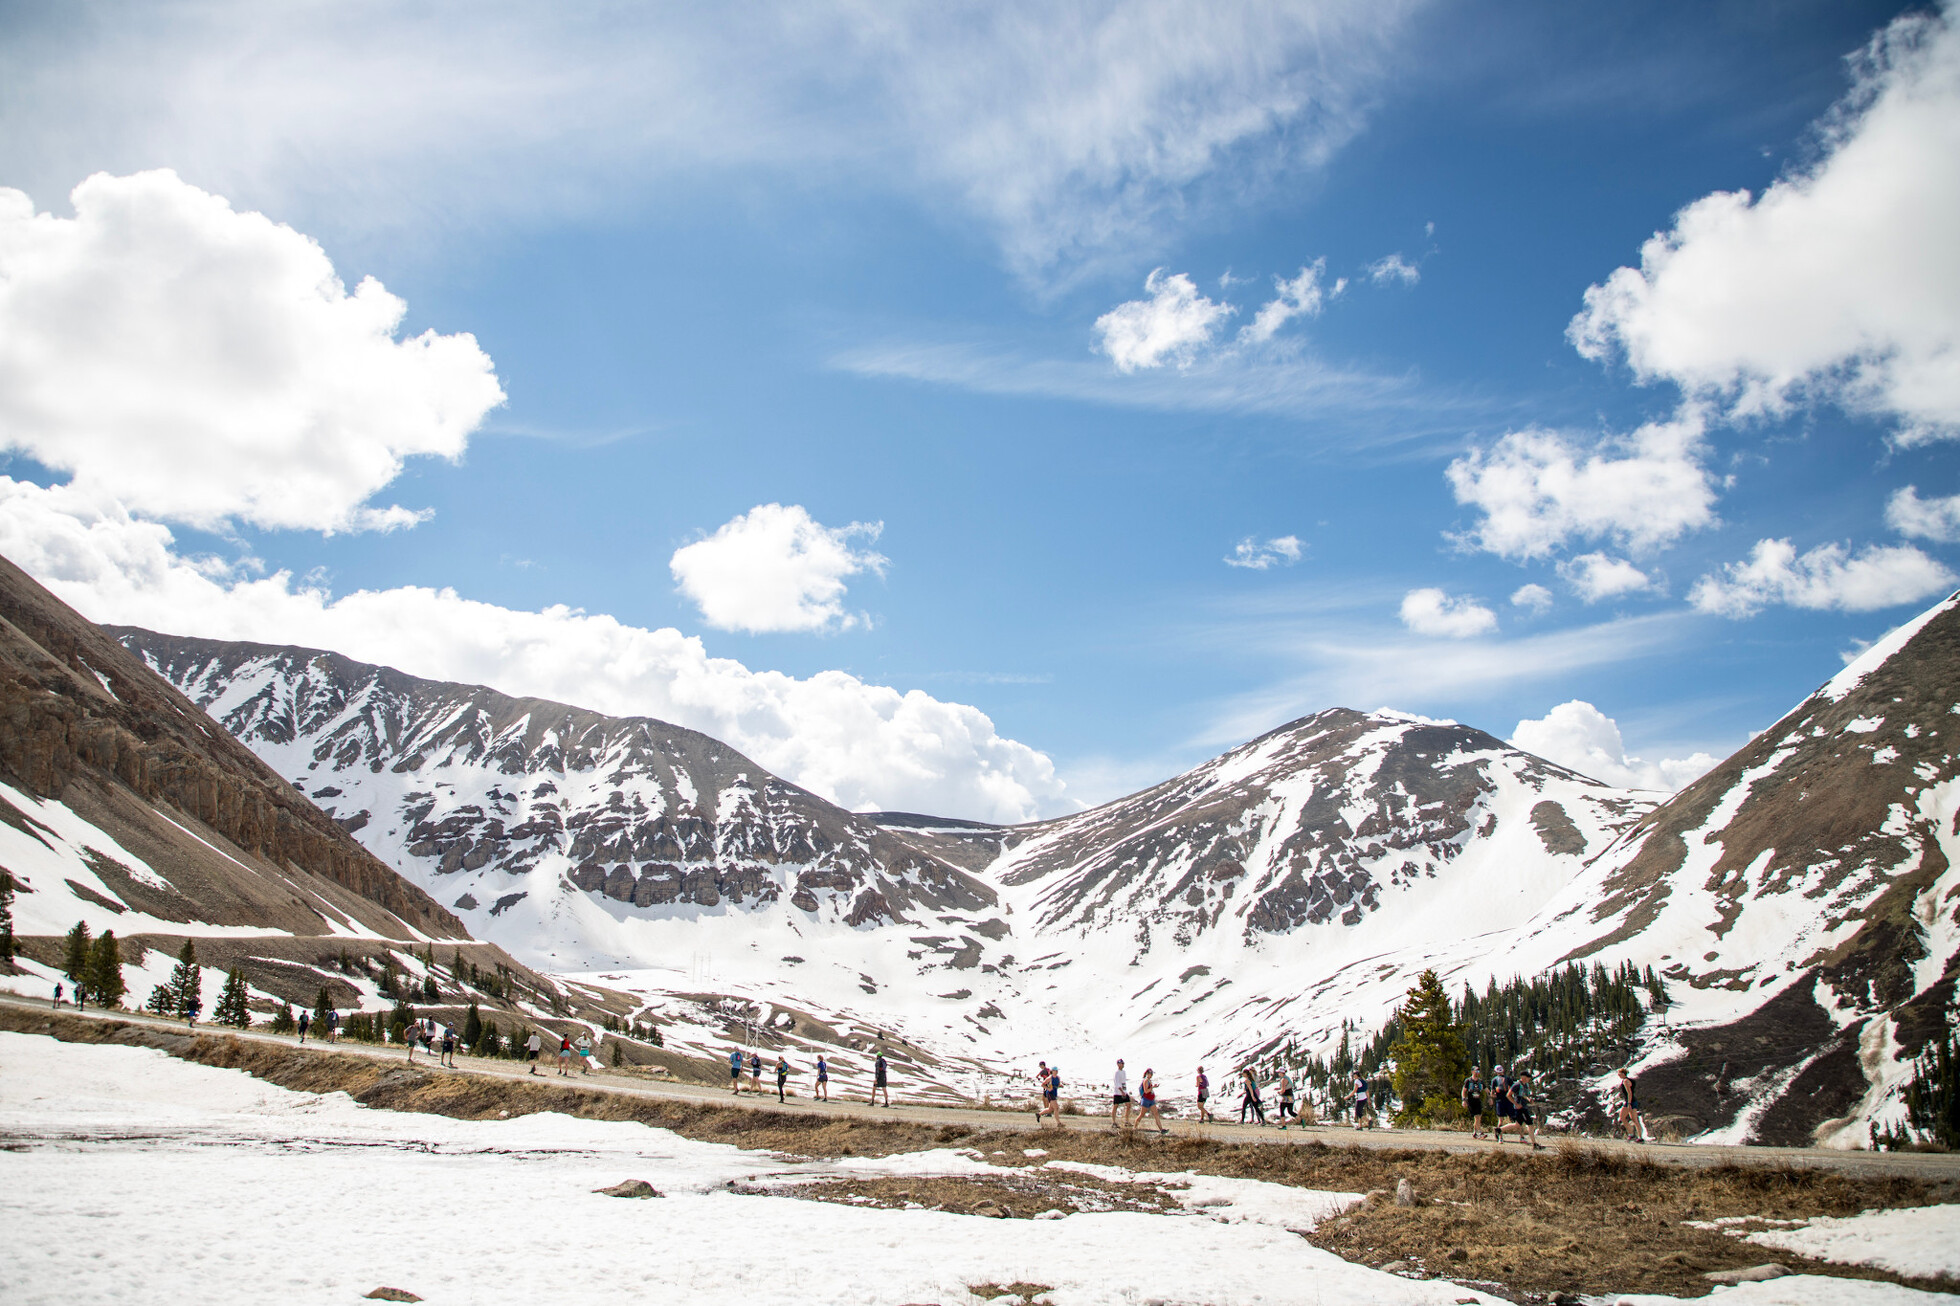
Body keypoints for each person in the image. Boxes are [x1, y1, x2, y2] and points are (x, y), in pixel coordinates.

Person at [1504, 1071, 1544, 1150]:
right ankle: (1534, 1143)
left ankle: (1499, 1130)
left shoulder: (1526, 1085)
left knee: (1517, 1125)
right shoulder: (1517, 1085)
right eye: (1527, 1078)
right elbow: (1508, 1095)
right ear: (1523, 1077)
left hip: (1524, 1107)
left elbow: (1523, 1095)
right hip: (1520, 1108)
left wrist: (1528, 1099)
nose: (1529, 1079)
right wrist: (1516, 1104)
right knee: (1530, 1125)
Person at [1616, 1068, 1645, 1142]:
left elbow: (1629, 1093)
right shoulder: (1629, 1080)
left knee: (1622, 1117)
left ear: (1623, 1073)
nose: (1618, 1075)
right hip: (1633, 1101)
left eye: (1619, 1073)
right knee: (1634, 1119)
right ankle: (1639, 1137)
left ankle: (1632, 1134)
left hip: (1630, 1102)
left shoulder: (1625, 1081)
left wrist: (1628, 1103)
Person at [1136, 1068, 1165, 1134]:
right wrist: (1152, 1087)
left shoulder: (1149, 1081)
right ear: (1147, 1074)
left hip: (1151, 1100)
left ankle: (1161, 1129)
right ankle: (1135, 1127)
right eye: (1150, 1074)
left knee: (1156, 1113)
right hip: (1146, 1100)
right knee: (1142, 1114)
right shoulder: (1146, 1081)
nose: (1151, 1075)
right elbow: (1146, 1091)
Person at [1489, 1064, 1512, 1143]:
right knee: (1515, 1120)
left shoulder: (1494, 1080)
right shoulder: (1508, 1079)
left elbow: (1492, 1093)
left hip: (1500, 1101)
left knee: (1500, 1120)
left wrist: (1494, 1097)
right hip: (1508, 1101)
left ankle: (1499, 1136)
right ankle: (1522, 1136)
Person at [1463, 1066, 1487, 1139]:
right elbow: (1464, 1091)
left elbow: (1486, 1089)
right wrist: (1464, 1100)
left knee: (1478, 1116)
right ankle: (1479, 1131)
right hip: (1471, 1100)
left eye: (1478, 1071)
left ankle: (1476, 1132)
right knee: (1476, 1116)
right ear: (1472, 1071)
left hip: (1478, 1100)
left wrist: (1490, 1096)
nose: (1477, 1073)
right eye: (1476, 1071)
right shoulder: (1468, 1081)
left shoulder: (1480, 1081)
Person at [1111, 1058, 1132, 1129]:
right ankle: (1114, 1122)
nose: (1122, 1065)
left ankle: (1126, 1121)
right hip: (1118, 1092)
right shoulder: (1116, 1073)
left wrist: (1125, 1091)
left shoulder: (1124, 1072)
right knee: (1115, 1106)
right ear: (1118, 1064)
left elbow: (1123, 1082)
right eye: (1121, 1063)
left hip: (1124, 1091)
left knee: (1128, 1105)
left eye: (1123, 1063)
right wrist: (1121, 1091)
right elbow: (1117, 1083)